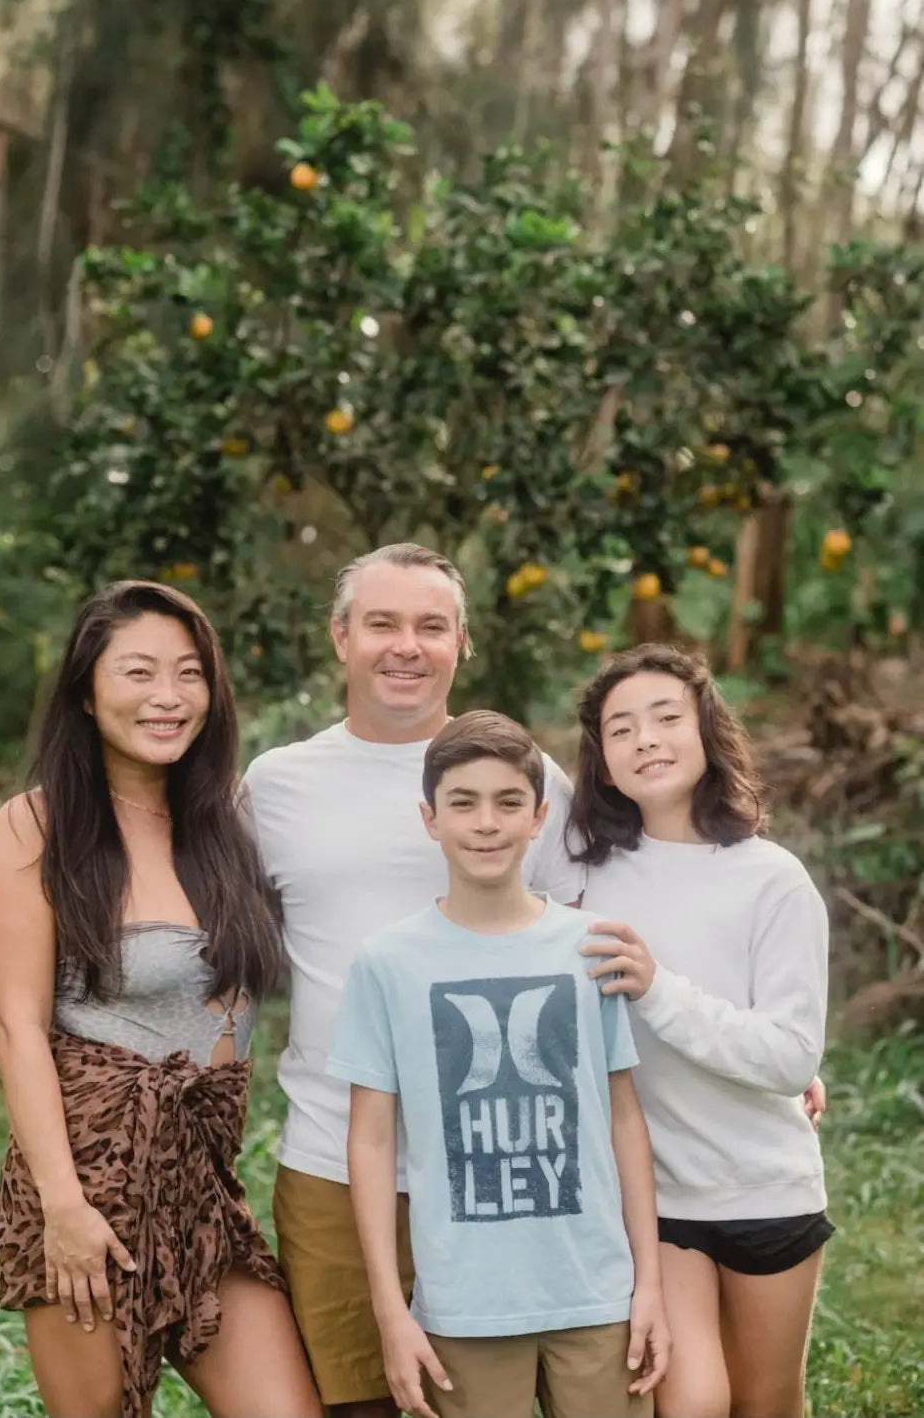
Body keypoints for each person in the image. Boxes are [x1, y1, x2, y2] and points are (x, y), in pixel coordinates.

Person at [243, 543, 581, 1417]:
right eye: (382, 623)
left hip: (510, 1159)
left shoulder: (529, 784)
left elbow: (611, 942)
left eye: (431, 626)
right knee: (360, 1401)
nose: (406, 646)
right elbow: (221, 956)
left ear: (461, 644)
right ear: (340, 637)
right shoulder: (277, 786)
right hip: (331, 1157)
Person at [0, 580, 323, 1418]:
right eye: (137, 673)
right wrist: (63, 1206)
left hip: (203, 1186)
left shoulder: (225, 825)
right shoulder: (39, 827)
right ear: (87, 693)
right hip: (92, 1180)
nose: (167, 697)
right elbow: (16, 1027)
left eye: (188, 673)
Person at [328, 710, 670, 1418]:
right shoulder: (387, 963)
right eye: (463, 802)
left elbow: (624, 1121)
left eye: (508, 801)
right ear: (429, 818)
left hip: (595, 1292)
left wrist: (649, 1285)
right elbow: (370, 1141)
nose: (486, 822)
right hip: (464, 1305)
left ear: (539, 815)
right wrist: (393, 1314)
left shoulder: (589, 946)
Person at [570, 644, 833, 1418]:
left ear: (706, 732)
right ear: (602, 763)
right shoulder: (577, 875)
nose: (645, 738)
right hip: (658, 1199)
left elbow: (788, 1056)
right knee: (691, 1404)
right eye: (621, 729)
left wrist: (658, 992)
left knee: (766, 1401)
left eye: (664, 718)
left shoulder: (772, 879)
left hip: (764, 1187)